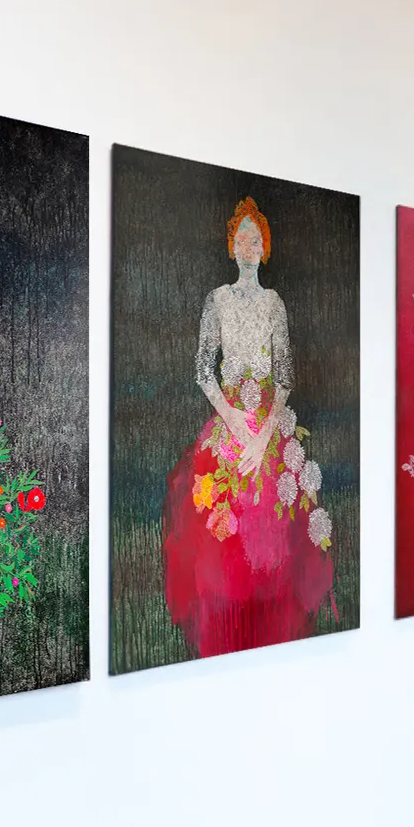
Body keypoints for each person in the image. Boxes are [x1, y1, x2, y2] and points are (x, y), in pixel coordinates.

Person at [161, 198, 334, 657]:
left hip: (270, 429)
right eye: (241, 240)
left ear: (265, 248)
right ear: (231, 247)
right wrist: (233, 419)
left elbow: (285, 376)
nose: (248, 247)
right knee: (224, 535)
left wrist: (264, 436)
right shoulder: (216, 300)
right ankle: (230, 631)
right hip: (229, 421)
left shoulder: (274, 303)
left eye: (255, 240)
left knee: (275, 536)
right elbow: (204, 371)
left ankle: (270, 634)